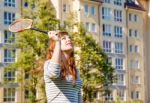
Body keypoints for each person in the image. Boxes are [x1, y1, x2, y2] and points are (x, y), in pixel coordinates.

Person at [44, 31, 83, 103]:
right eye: (63, 38)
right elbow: (54, 73)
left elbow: (78, 95)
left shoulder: (75, 70)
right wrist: (58, 42)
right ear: (55, 45)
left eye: (69, 38)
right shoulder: (48, 64)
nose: (69, 39)